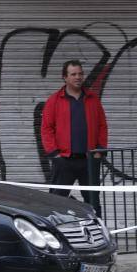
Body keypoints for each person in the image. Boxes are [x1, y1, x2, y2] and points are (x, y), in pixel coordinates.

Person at [41, 60, 108, 215]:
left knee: (93, 204)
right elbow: (46, 128)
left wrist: (99, 152)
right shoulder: (55, 100)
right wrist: (55, 154)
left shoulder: (92, 99)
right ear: (65, 77)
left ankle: (96, 236)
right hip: (64, 161)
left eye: (80, 74)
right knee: (56, 204)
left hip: (89, 161)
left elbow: (102, 126)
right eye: (73, 74)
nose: (78, 77)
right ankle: (56, 237)